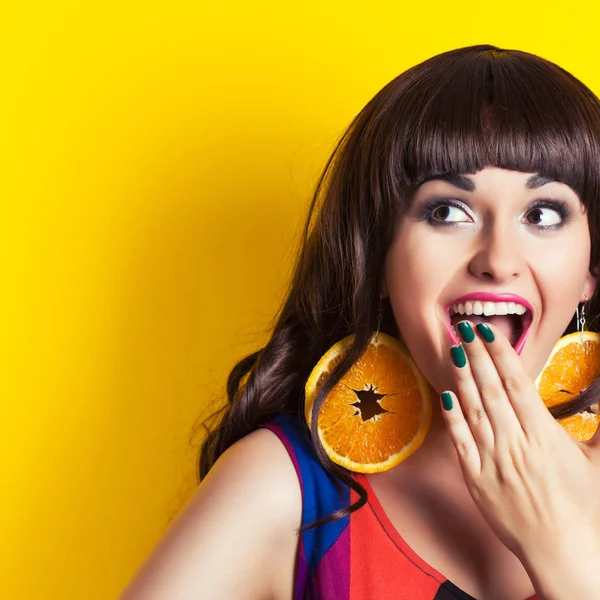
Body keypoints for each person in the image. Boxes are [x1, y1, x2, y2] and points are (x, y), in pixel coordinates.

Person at [121, 45, 600, 600]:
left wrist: (562, 550)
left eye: (542, 214)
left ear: (591, 271)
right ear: (378, 258)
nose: (497, 258)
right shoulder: (288, 492)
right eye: (447, 211)